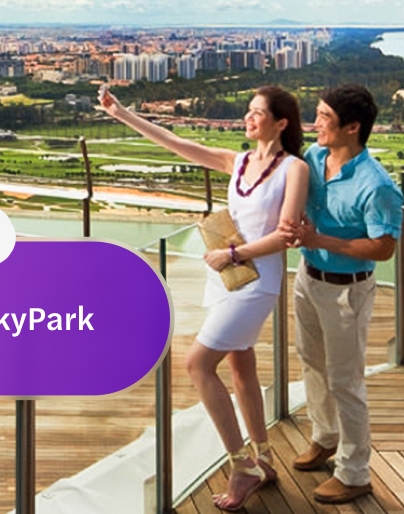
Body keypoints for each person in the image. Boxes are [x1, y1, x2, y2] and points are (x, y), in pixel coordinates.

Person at [100, 84, 308, 511]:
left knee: (196, 362)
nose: (247, 118)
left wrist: (232, 253)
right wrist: (122, 114)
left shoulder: (294, 170)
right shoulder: (239, 162)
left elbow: (286, 235)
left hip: (257, 280)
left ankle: (241, 464)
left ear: (281, 122)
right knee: (240, 365)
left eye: (256, 113)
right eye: (247, 111)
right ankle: (264, 457)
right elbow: (176, 143)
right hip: (226, 278)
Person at [281, 83, 404, 505]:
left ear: (353, 127)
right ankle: (325, 437)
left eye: (326, 119)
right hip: (307, 278)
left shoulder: (377, 185)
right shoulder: (315, 157)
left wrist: (322, 239)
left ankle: (355, 472)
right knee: (311, 363)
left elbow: (383, 249)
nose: (316, 124)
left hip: (346, 293)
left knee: (346, 381)